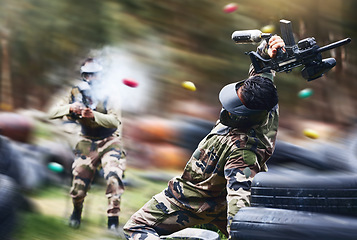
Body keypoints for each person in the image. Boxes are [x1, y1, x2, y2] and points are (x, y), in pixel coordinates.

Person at [123, 36, 285, 239]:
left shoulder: (243, 153)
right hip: (218, 198)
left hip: (192, 200)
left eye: (237, 107)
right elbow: (262, 73)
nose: (229, 107)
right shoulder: (267, 106)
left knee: (135, 229)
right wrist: (267, 50)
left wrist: (240, 232)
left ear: (246, 115)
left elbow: (240, 197)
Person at [48, 58, 126, 232]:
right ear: (84, 75)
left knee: (114, 177)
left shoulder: (111, 93)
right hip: (86, 141)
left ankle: (112, 221)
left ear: (101, 75)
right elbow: (52, 113)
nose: (91, 78)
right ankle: (76, 213)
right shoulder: (75, 92)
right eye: (88, 74)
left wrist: (94, 116)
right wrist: (70, 109)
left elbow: (115, 120)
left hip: (109, 140)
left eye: (95, 74)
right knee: (78, 187)